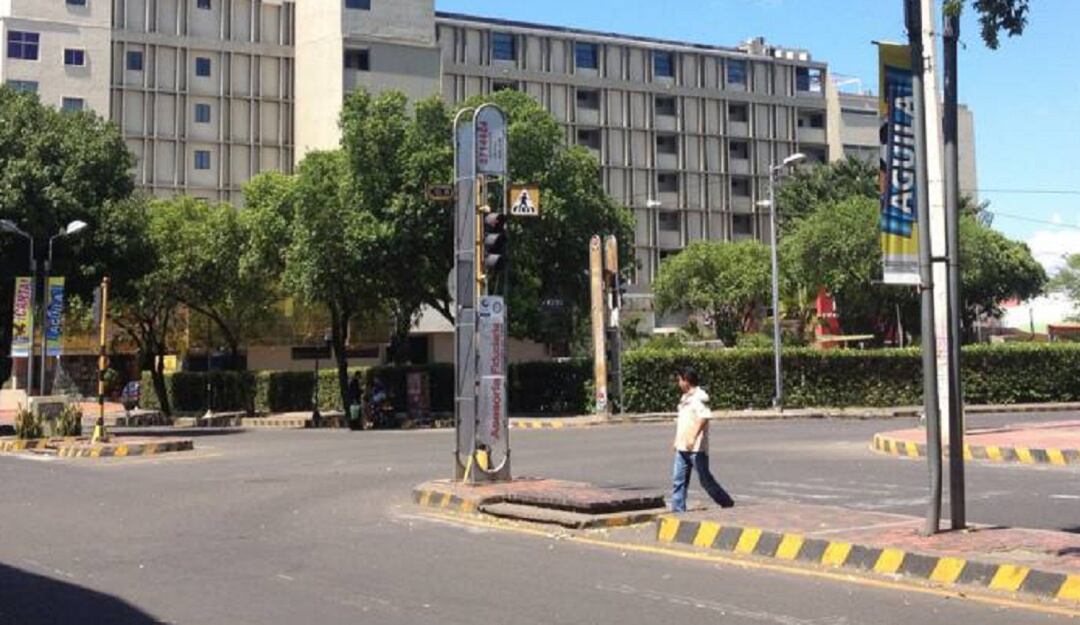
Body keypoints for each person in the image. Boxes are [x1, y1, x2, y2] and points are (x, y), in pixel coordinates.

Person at [670, 366, 735, 513]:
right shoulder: (685, 398)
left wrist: (693, 437)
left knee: (705, 481)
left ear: (686, 380)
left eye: (679, 380)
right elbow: (684, 421)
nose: (678, 383)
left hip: (696, 448)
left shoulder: (701, 396)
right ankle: (678, 511)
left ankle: (726, 502)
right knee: (678, 481)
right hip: (682, 447)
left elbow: (704, 417)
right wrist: (676, 440)